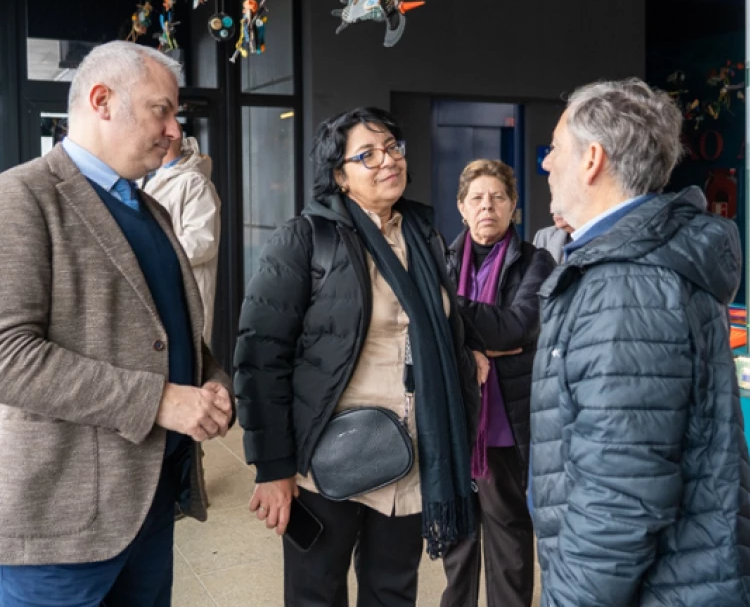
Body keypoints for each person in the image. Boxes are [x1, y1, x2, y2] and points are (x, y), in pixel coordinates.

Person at [0, 41, 234, 607]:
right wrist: (159, 401)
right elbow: (8, 354)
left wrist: (211, 379)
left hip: (150, 503)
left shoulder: (147, 207)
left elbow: (164, 327)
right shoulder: (21, 196)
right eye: (162, 109)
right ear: (102, 100)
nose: (174, 129)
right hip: (65, 522)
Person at [234, 107, 483, 607]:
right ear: (339, 176)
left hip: (413, 451)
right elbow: (261, 359)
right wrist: (273, 467)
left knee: (393, 592)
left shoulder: (424, 235)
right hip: (329, 456)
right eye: (366, 154)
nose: (386, 160)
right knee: (316, 593)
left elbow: (440, 320)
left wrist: (470, 348)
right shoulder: (306, 239)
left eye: (392, 147)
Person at [532, 78, 750, 606]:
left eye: (555, 147)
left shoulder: (624, 284)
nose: (545, 163)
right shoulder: (640, 262)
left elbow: (619, 495)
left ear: (592, 160)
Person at [441, 159, 555, 607]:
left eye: (499, 197)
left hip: (506, 425)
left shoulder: (536, 261)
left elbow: (518, 327)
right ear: (461, 208)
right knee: (458, 542)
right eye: (477, 198)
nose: (488, 206)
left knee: (508, 544)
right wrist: (475, 344)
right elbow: (423, 334)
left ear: (513, 208)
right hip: (455, 422)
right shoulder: (442, 261)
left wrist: (449, 311)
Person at [142, 126, 222, 343]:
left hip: (184, 296)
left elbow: (202, 242)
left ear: (171, 137)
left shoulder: (194, 183)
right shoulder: (150, 178)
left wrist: (147, 252)